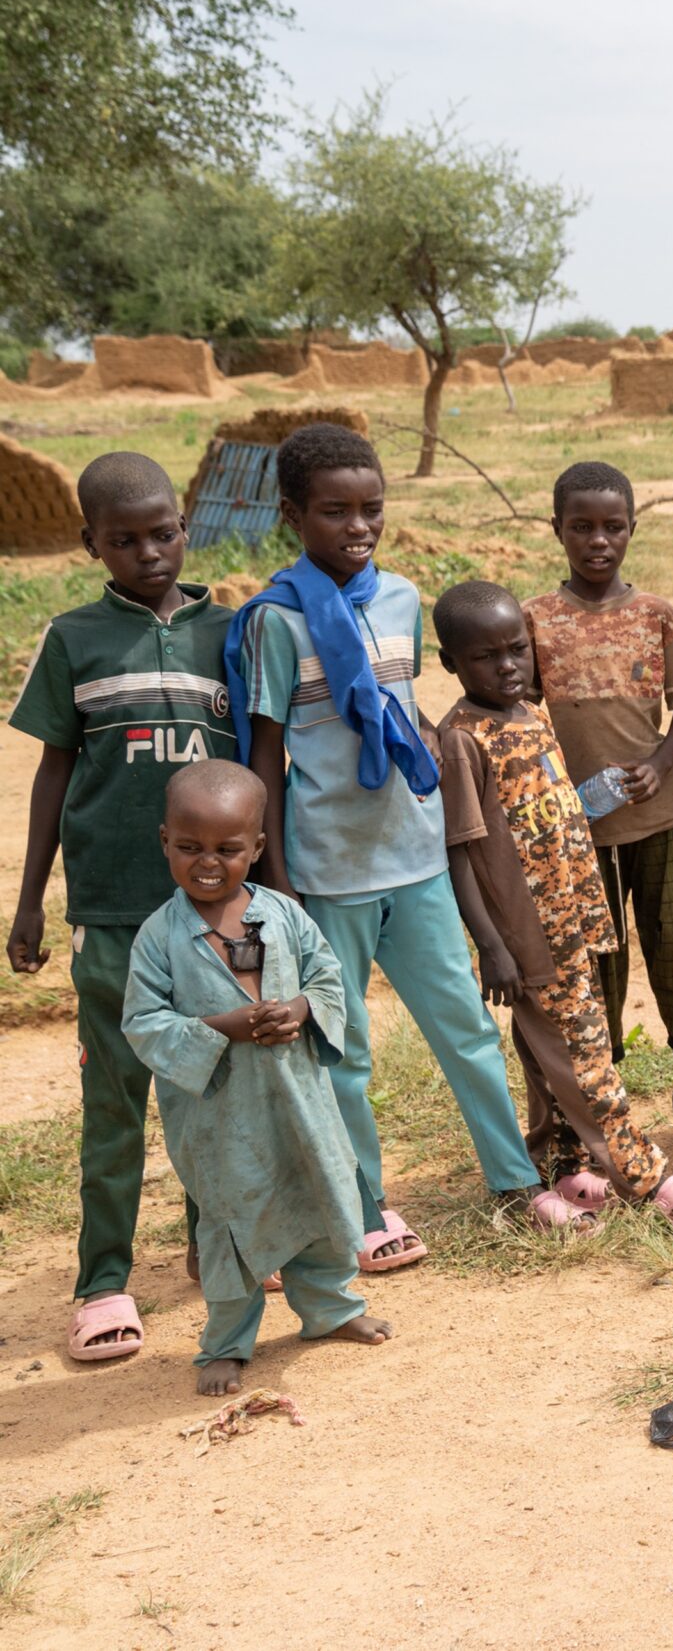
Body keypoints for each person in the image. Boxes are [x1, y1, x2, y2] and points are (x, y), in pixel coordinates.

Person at [225, 422, 550, 1269]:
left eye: (372, 508)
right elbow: (266, 758)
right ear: (293, 515)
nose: (359, 526)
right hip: (327, 871)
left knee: (466, 1026)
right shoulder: (274, 622)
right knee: (344, 1048)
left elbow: (404, 712)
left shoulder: (402, 598)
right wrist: (277, 884)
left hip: (417, 857)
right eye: (335, 511)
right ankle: (364, 1204)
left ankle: (513, 1178)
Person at [8, 454, 236, 1365]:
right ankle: (103, 1279)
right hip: (108, 913)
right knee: (114, 1103)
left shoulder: (232, 632)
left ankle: (216, 1241)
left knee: (212, 1088)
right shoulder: (75, 639)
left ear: (186, 526)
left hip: (213, 916)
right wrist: (30, 899)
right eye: (124, 539)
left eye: (164, 532)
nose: (149, 552)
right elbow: (53, 773)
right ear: (89, 543)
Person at [434, 583, 673, 1229]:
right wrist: (492, 946)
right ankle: (651, 1182)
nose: (508, 666)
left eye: (518, 649)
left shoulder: (530, 713)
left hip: (575, 919)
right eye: (486, 656)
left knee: (550, 1057)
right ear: (450, 662)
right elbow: (458, 852)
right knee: (587, 1063)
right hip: (529, 937)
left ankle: (565, 1168)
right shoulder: (461, 739)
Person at [122, 761, 391, 1396]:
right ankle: (225, 1343)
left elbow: (328, 978)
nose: (207, 863)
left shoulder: (284, 915)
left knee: (317, 1199)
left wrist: (298, 1009)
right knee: (231, 1225)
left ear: (259, 847)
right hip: (220, 1120)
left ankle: (331, 1310)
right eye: (190, 847)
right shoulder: (158, 937)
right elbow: (143, 1023)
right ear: (165, 841)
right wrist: (225, 1027)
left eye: (228, 848)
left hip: (299, 1102)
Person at [525, 462, 673, 1167]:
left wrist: (662, 762)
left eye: (613, 527)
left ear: (632, 529)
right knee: (592, 972)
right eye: (582, 527)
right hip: (575, 837)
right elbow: (516, 711)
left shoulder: (658, 617)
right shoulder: (535, 621)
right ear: (557, 529)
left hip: (661, 822)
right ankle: (601, 1111)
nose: (598, 541)